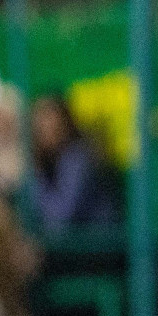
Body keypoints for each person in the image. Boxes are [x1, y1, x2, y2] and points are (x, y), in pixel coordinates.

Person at [25, 95, 118, 235]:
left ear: (66, 125)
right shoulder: (51, 160)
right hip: (78, 248)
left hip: (100, 249)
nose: (45, 132)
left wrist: (34, 173)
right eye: (40, 128)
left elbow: (59, 220)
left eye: (52, 126)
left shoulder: (78, 158)